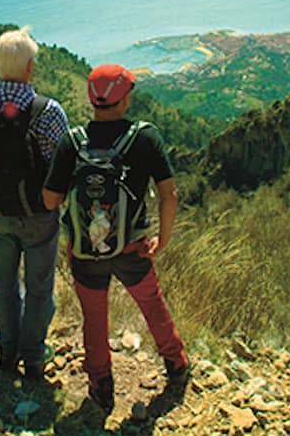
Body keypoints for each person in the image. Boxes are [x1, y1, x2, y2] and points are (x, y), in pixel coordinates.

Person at [43, 63, 188, 413]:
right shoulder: (145, 137)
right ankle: (176, 364)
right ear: (123, 101)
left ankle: (101, 386)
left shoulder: (73, 142)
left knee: (95, 319)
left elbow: (50, 200)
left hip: (86, 251)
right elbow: (169, 195)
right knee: (152, 305)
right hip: (133, 247)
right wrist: (162, 240)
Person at [0, 27, 69, 380]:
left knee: (4, 282)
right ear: (28, 67)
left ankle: (7, 354)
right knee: (40, 286)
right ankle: (34, 357)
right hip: (39, 212)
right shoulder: (49, 111)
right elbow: (60, 163)